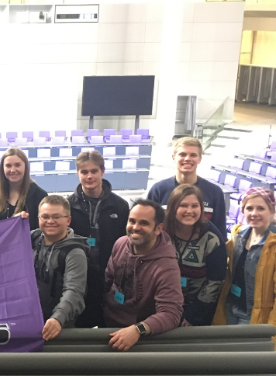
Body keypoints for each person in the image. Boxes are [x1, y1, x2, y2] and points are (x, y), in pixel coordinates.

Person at [213, 187, 276, 351]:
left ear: (272, 211)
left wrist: (273, 335)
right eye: (249, 208)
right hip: (230, 311)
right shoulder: (238, 236)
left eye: (261, 208)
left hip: (256, 320)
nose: (254, 213)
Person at [103, 199, 184, 351]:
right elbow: (107, 280)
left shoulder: (166, 267)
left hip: (138, 337)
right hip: (107, 325)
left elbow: (171, 313)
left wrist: (138, 329)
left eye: (144, 223)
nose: (135, 227)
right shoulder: (120, 244)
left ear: (158, 229)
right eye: (132, 221)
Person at [68, 150, 130, 328]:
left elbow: (126, 244)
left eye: (94, 171)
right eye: (84, 172)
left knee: (110, 326)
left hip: (110, 275)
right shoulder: (68, 205)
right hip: (80, 276)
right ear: (77, 173)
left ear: (102, 171)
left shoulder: (120, 206)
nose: (89, 176)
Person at [162, 184, 227, 326]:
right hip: (162, 306)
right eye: (183, 205)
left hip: (198, 311)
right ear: (173, 207)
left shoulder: (212, 238)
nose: (189, 211)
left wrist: (192, 315)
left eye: (195, 206)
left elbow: (215, 282)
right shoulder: (161, 231)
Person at [31, 195, 89, 340]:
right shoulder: (32, 238)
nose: (50, 221)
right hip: (30, 322)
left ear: (68, 220)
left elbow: (74, 290)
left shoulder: (75, 252)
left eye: (56, 216)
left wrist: (58, 318)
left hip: (57, 327)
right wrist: (16, 222)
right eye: (45, 216)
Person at [146, 137, 227, 240]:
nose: (187, 158)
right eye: (182, 154)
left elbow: (220, 233)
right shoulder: (158, 190)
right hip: (164, 252)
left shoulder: (214, 192)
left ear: (200, 159)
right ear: (173, 157)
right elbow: (148, 226)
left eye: (193, 155)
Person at [0, 147, 47, 230]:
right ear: (2, 168)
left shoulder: (39, 195)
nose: (12, 170)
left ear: (25, 166)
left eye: (17, 165)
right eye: (8, 166)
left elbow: (40, 231)